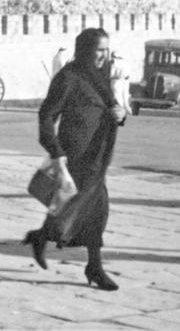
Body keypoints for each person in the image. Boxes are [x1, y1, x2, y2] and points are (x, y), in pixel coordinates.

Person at [23, 27, 126, 291]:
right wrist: (56, 153)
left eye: (106, 50)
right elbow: (46, 116)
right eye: (99, 50)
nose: (104, 56)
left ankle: (44, 238)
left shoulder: (100, 77)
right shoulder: (68, 78)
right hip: (76, 158)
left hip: (97, 157)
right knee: (89, 210)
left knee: (86, 210)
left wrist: (120, 114)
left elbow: (111, 109)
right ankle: (92, 265)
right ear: (85, 51)